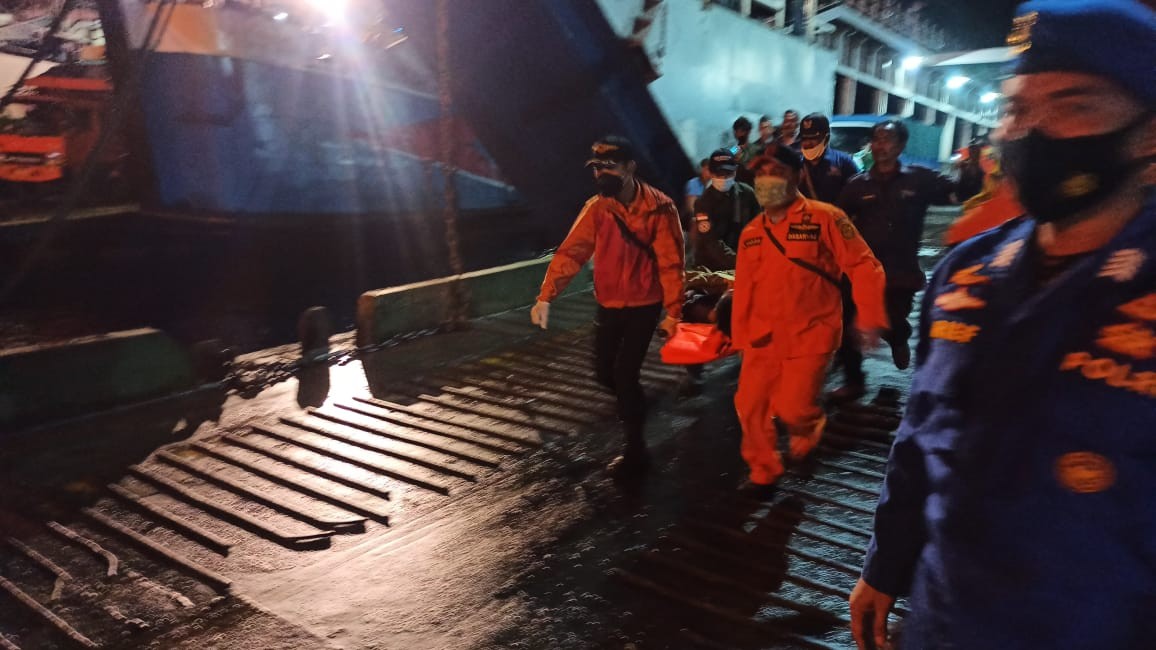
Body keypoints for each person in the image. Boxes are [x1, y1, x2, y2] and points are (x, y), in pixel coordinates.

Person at [850, 2, 1156, 648]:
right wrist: (886, 562)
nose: (1034, 131)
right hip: (945, 619)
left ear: (1148, 131)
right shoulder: (966, 275)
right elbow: (920, 435)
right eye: (1016, 108)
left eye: (1077, 106)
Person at [730, 147, 887, 497]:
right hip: (761, 338)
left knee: (793, 407)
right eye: (761, 171)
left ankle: (808, 427)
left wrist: (871, 314)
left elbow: (863, 265)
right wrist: (740, 338)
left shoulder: (826, 217)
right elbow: (744, 288)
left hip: (810, 334)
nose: (767, 178)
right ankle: (764, 469)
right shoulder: (752, 232)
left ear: (798, 175)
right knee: (750, 406)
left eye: (776, 169)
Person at [532, 135, 685, 477]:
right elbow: (573, 251)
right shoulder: (598, 208)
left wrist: (674, 311)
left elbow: (671, 263)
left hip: (645, 304)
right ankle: (636, 405)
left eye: (610, 166)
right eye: (597, 167)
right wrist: (546, 295)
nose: (602, 173)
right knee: (604, 373)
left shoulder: (661, 208)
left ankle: (635, 450)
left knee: (624, 374)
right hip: (610, 303)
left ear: (630, 167)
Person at [831, 120, 956, 402]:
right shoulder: (856, 185)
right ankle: (854, 382)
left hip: (901, 273)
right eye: (876, 139)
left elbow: (956, 192)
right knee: (848, 322)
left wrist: (978, 173)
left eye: (887, 140)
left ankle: (899, 336)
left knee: (888, 320)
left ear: (900, 146)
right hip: (862, 272)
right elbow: (837, 222)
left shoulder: (919, 179)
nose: (880, 145)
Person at [797, 113, 861, 204]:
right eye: (804, 139)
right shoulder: (796, 165)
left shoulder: (843, 162)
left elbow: (857, 193)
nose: (807, 143)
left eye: (813, 138)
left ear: (826, 138)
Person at [731, 116, 759, 184]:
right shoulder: (733, 150)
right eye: (736, 131)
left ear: (748, 132)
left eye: (741, 131)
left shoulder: (756, 149)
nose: (739, 134)